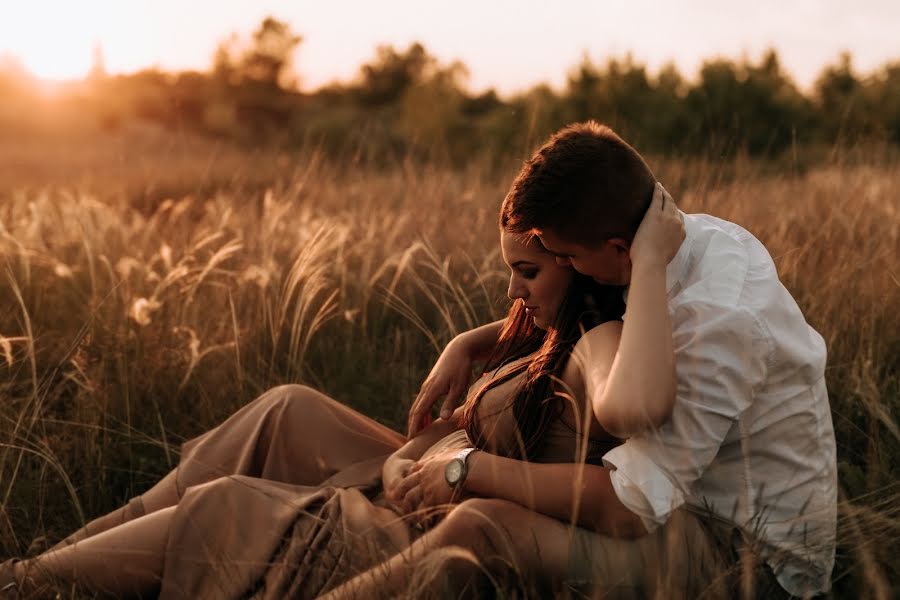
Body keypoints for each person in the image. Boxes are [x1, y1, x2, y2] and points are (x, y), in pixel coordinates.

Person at [0, 201, 684, 599]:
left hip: (431, 512)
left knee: (228, 504)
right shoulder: (550, 331)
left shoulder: (605, 345)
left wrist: (458, 470)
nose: (512, 292)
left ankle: (32, 582)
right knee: (287, 405)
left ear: (579, 259)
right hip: (417, 478)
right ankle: (48, 559)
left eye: (526, 272)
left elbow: (632, 415)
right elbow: (485, 405)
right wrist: (470, 346)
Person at [401, 121, 838, 598]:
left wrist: (470, 469)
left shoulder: (720, 322)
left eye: (567, 258)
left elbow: (629, 509)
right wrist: (472, 341)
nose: (565, 268)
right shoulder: (674, 243)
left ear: (618, 250)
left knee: (484, 528)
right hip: (679, 504)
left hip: (746, 555)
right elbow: (587, 317)